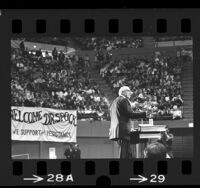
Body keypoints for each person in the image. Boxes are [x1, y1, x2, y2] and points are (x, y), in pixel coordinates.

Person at [109, 86, 146, 158]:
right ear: (123, 92)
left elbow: (124, 113)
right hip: (123, 132)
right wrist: (144, 114)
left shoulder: (115, 101)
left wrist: (133, 106)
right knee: (124, 154)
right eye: (129, 91)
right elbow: (131, 114)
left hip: (119, 131)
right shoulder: (124, 100)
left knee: (126, 153)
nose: (130, 93)